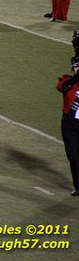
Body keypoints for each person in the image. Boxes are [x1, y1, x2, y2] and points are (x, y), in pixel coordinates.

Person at [57, 31, 79, 196]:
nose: (78, 69)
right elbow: (62, 88)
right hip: (69, 123)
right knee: (73, 156)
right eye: (76, 67)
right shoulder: (66, 79)